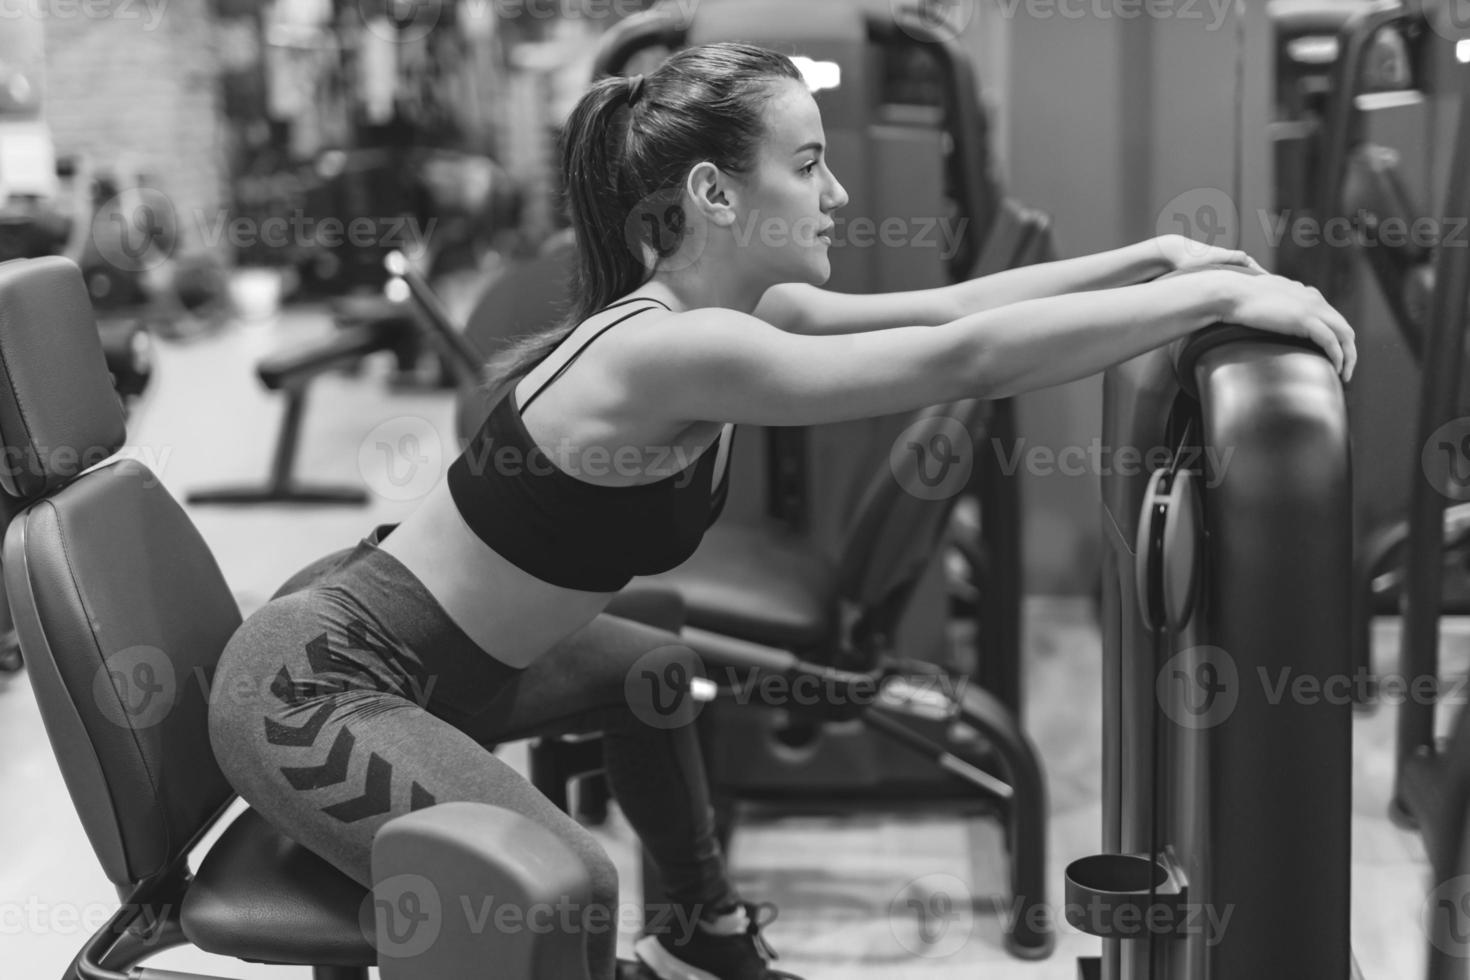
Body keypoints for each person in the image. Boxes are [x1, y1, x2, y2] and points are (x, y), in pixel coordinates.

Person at [207, 41, 1356, 980]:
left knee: (651, 669)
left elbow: (954, 302)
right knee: (563, 886)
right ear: (713, 193)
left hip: (443, 662)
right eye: (808, 164)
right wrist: (1219, 295)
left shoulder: (748, 313)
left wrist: (1154, 258)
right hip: (322, 680)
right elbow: (966, 355)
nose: (838, 190)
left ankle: (701, 938)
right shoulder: (674, 349)